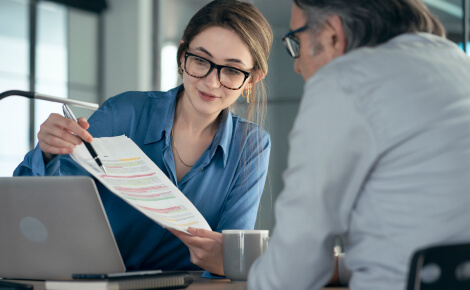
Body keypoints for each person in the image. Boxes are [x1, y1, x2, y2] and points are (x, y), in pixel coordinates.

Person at [14, 0, 273, 277]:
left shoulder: (251, 144)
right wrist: (48, 153)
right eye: (200, 60)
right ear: (182, 55)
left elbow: (232, 255)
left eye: (232, 70)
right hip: (95, 282)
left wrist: (227, 260)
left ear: (251, 80)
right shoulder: (124, 113)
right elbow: (36, 206)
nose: (211, 82)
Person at [248, 0, 470, 289]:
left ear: (332, 35)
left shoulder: (344, 82)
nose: (297, 64)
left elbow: (293, 271)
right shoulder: (456, 62)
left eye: (297, 40)